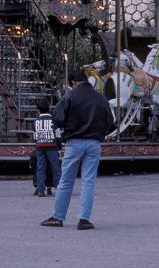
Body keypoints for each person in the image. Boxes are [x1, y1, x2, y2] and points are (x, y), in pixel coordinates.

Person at [40, 69, 114, 230]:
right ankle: (84, 219)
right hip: (94, 143)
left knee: (66, 180)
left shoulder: (70, 97)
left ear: (73, 83)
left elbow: (57, 118)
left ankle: (58, 217)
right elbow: (111, 121)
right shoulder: (101, 98)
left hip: (74, 142)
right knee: (88, 181)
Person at [32, 99, 60, 197]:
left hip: (40, 147)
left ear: (38, 110)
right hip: (52, 147)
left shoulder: (36, 122)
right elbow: (58, 135)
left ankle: (40, 190)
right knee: (55, 168)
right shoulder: (53, 121)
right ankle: (58, 188)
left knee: (40, 168)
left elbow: (35, 136)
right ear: (49, 109)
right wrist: (59, 148)